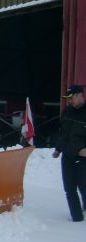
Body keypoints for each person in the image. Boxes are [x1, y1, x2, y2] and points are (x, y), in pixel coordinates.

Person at [52, 84, 86, 222]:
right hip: (67, 155)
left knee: (83, 186)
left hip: (82, 157)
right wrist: (58, 149)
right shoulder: (66, 111)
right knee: (69, 188)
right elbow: (62, 133)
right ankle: (77, 219)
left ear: (79, 95)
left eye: (71, 98)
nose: (69, 101)